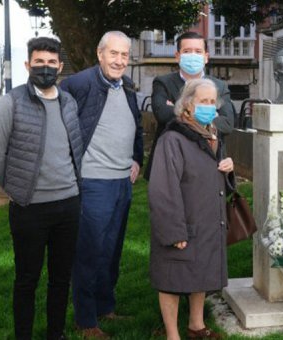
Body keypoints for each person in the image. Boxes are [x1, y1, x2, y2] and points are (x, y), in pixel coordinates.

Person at [0, 36, 82, 340]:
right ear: (28, 65)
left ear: (60, 66)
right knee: (27, 280)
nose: (45, 68)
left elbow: (74, 149)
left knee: (60, 279)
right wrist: (16, 189)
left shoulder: (69, 102)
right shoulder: (10, 102)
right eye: (39, 62)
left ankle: (56, 333)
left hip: (68, 205)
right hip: (29, 208)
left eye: (51, 63)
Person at [60, 31, 143, 339]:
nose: (119, 60)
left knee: (112, 250)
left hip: (123, 183)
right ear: (100, 54)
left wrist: (137, 159)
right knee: (89, 252)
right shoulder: (79, 84)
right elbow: (63, 131)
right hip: (93, 183)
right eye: (114, 54)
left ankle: (106, 307)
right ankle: (85, 320)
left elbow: (134, 128)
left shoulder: (128, 86)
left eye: (124, 55)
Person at [148, 78, 233, 340]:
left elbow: (219, 179)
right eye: (202, 102)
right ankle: (172, 335)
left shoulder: (211, 134)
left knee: (202, 272)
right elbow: (162, 189)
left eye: (212, 102)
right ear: (187, 106)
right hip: (182, 223)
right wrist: (175, 232)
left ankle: (196, 326)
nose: (209, 107)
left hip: (207, 220)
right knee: (172, 279)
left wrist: (228, 169)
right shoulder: (172, 138)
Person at [145, 31, 234, 180]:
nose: (193, 55)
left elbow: (227, 123)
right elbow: (162, 114)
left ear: (206, 57)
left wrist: (178, 109)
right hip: (171, 161)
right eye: (187, 51)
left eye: (198, 51)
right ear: (177, 56)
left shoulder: (219, 86)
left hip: (211, 161)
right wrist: (207, 115)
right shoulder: (163, 82)